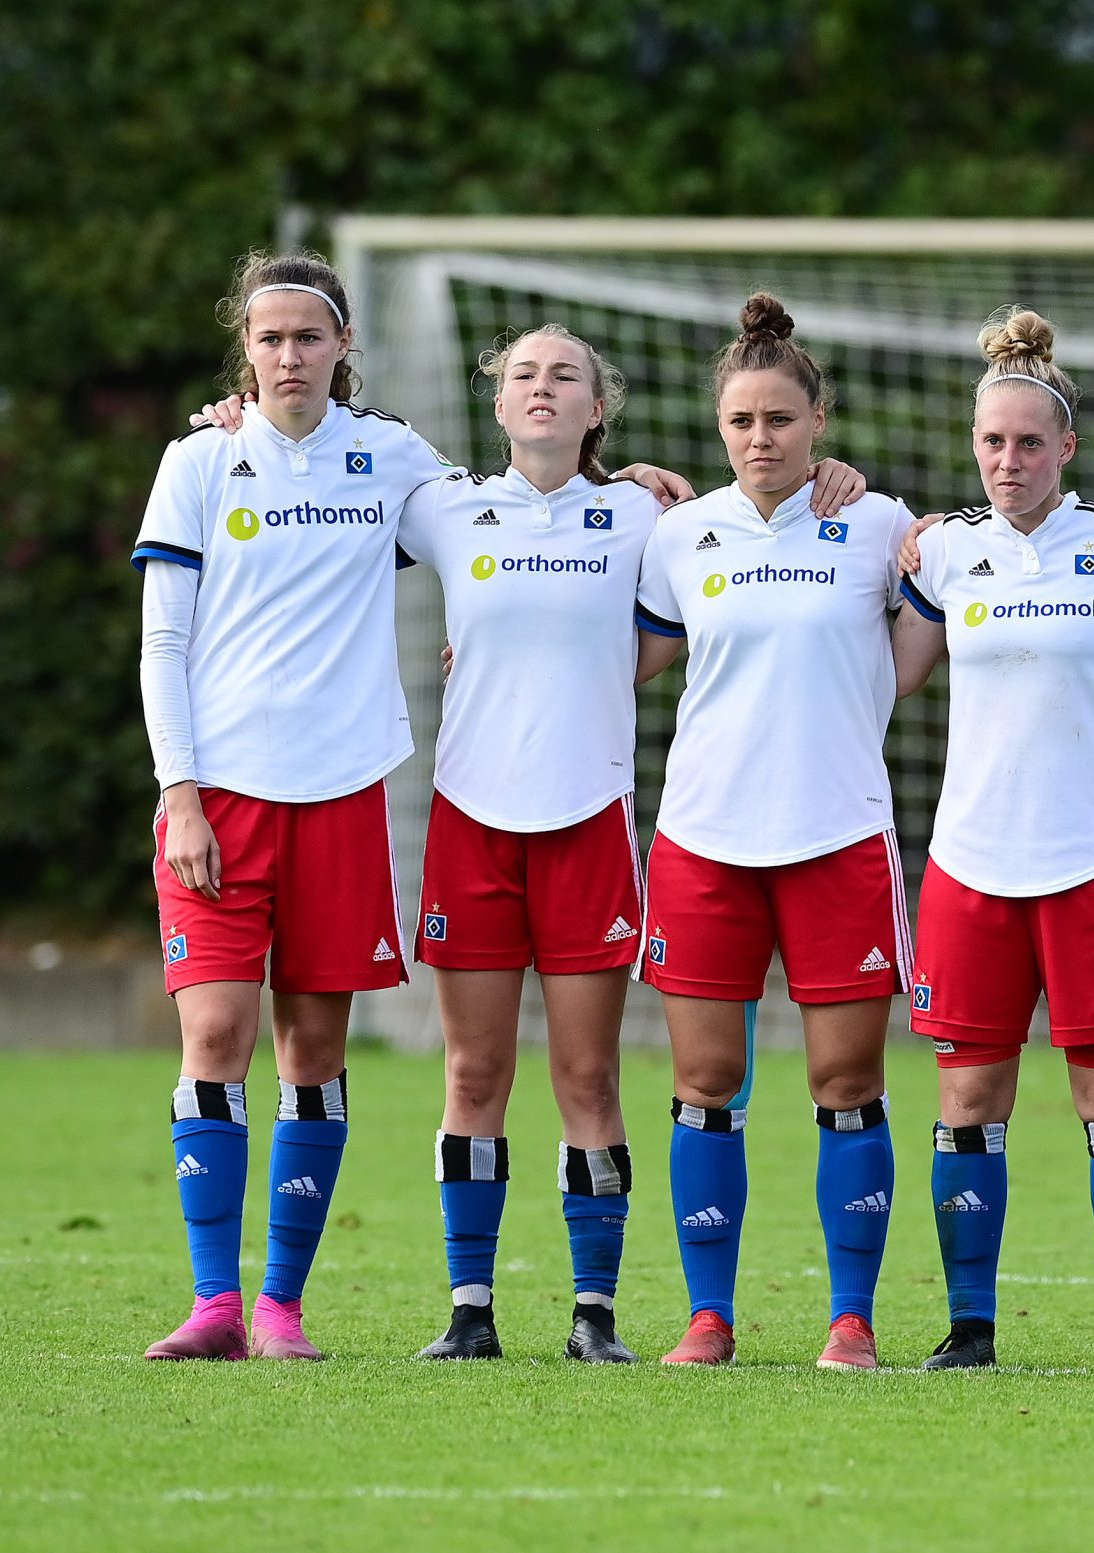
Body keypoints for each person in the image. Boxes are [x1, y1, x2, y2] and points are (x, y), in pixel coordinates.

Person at [135, 252, 471, 1361]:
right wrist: (178, 792)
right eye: (270, 338)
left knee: (314, 1050)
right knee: (216, 1031)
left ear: (342, 348)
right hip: (219, 800)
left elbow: (501, 528)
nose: (289, 355)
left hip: (341, 797)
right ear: (246, 348)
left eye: (308, 336)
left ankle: (280, 1303)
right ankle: (213, 1303)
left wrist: (638, 487)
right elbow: (163, 639)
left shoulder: (391, 457)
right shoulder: (200, 457)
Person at [890, 307, 1094, 1376]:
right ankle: (968, 1327)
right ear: (971, 447)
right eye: (991, 442)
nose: (1008, 459)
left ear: (1066, 446)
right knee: (968, 1097)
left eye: (1029, 441)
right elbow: (884, 674)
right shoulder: (938, 553)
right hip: (970, 862)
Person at [633, 294, 918, 1371]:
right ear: (719, 428)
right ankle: (708, 1314)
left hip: (839, 836)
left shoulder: (880, 523)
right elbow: (633, 658)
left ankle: (851, 1317)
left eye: (782, 420)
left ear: (818, 423)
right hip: (705, 839)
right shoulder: (678, 533)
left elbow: (973, 598)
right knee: (705, 1083)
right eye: (743, 421)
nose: (763, 438)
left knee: (846, 1083)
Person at [387, 325, 656, 1365]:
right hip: (471, 822)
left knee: (588, 1076)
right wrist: (236, 423)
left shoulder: (641, 513)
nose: (541, 389)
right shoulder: (444, 507)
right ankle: (470, 1307)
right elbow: (310, 504)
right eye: (523, 376)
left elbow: (737, 562)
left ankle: (594, 1312)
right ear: (497, 403)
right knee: (474, 1070)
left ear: (598, 408)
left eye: (566, 376)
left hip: (590, 821)